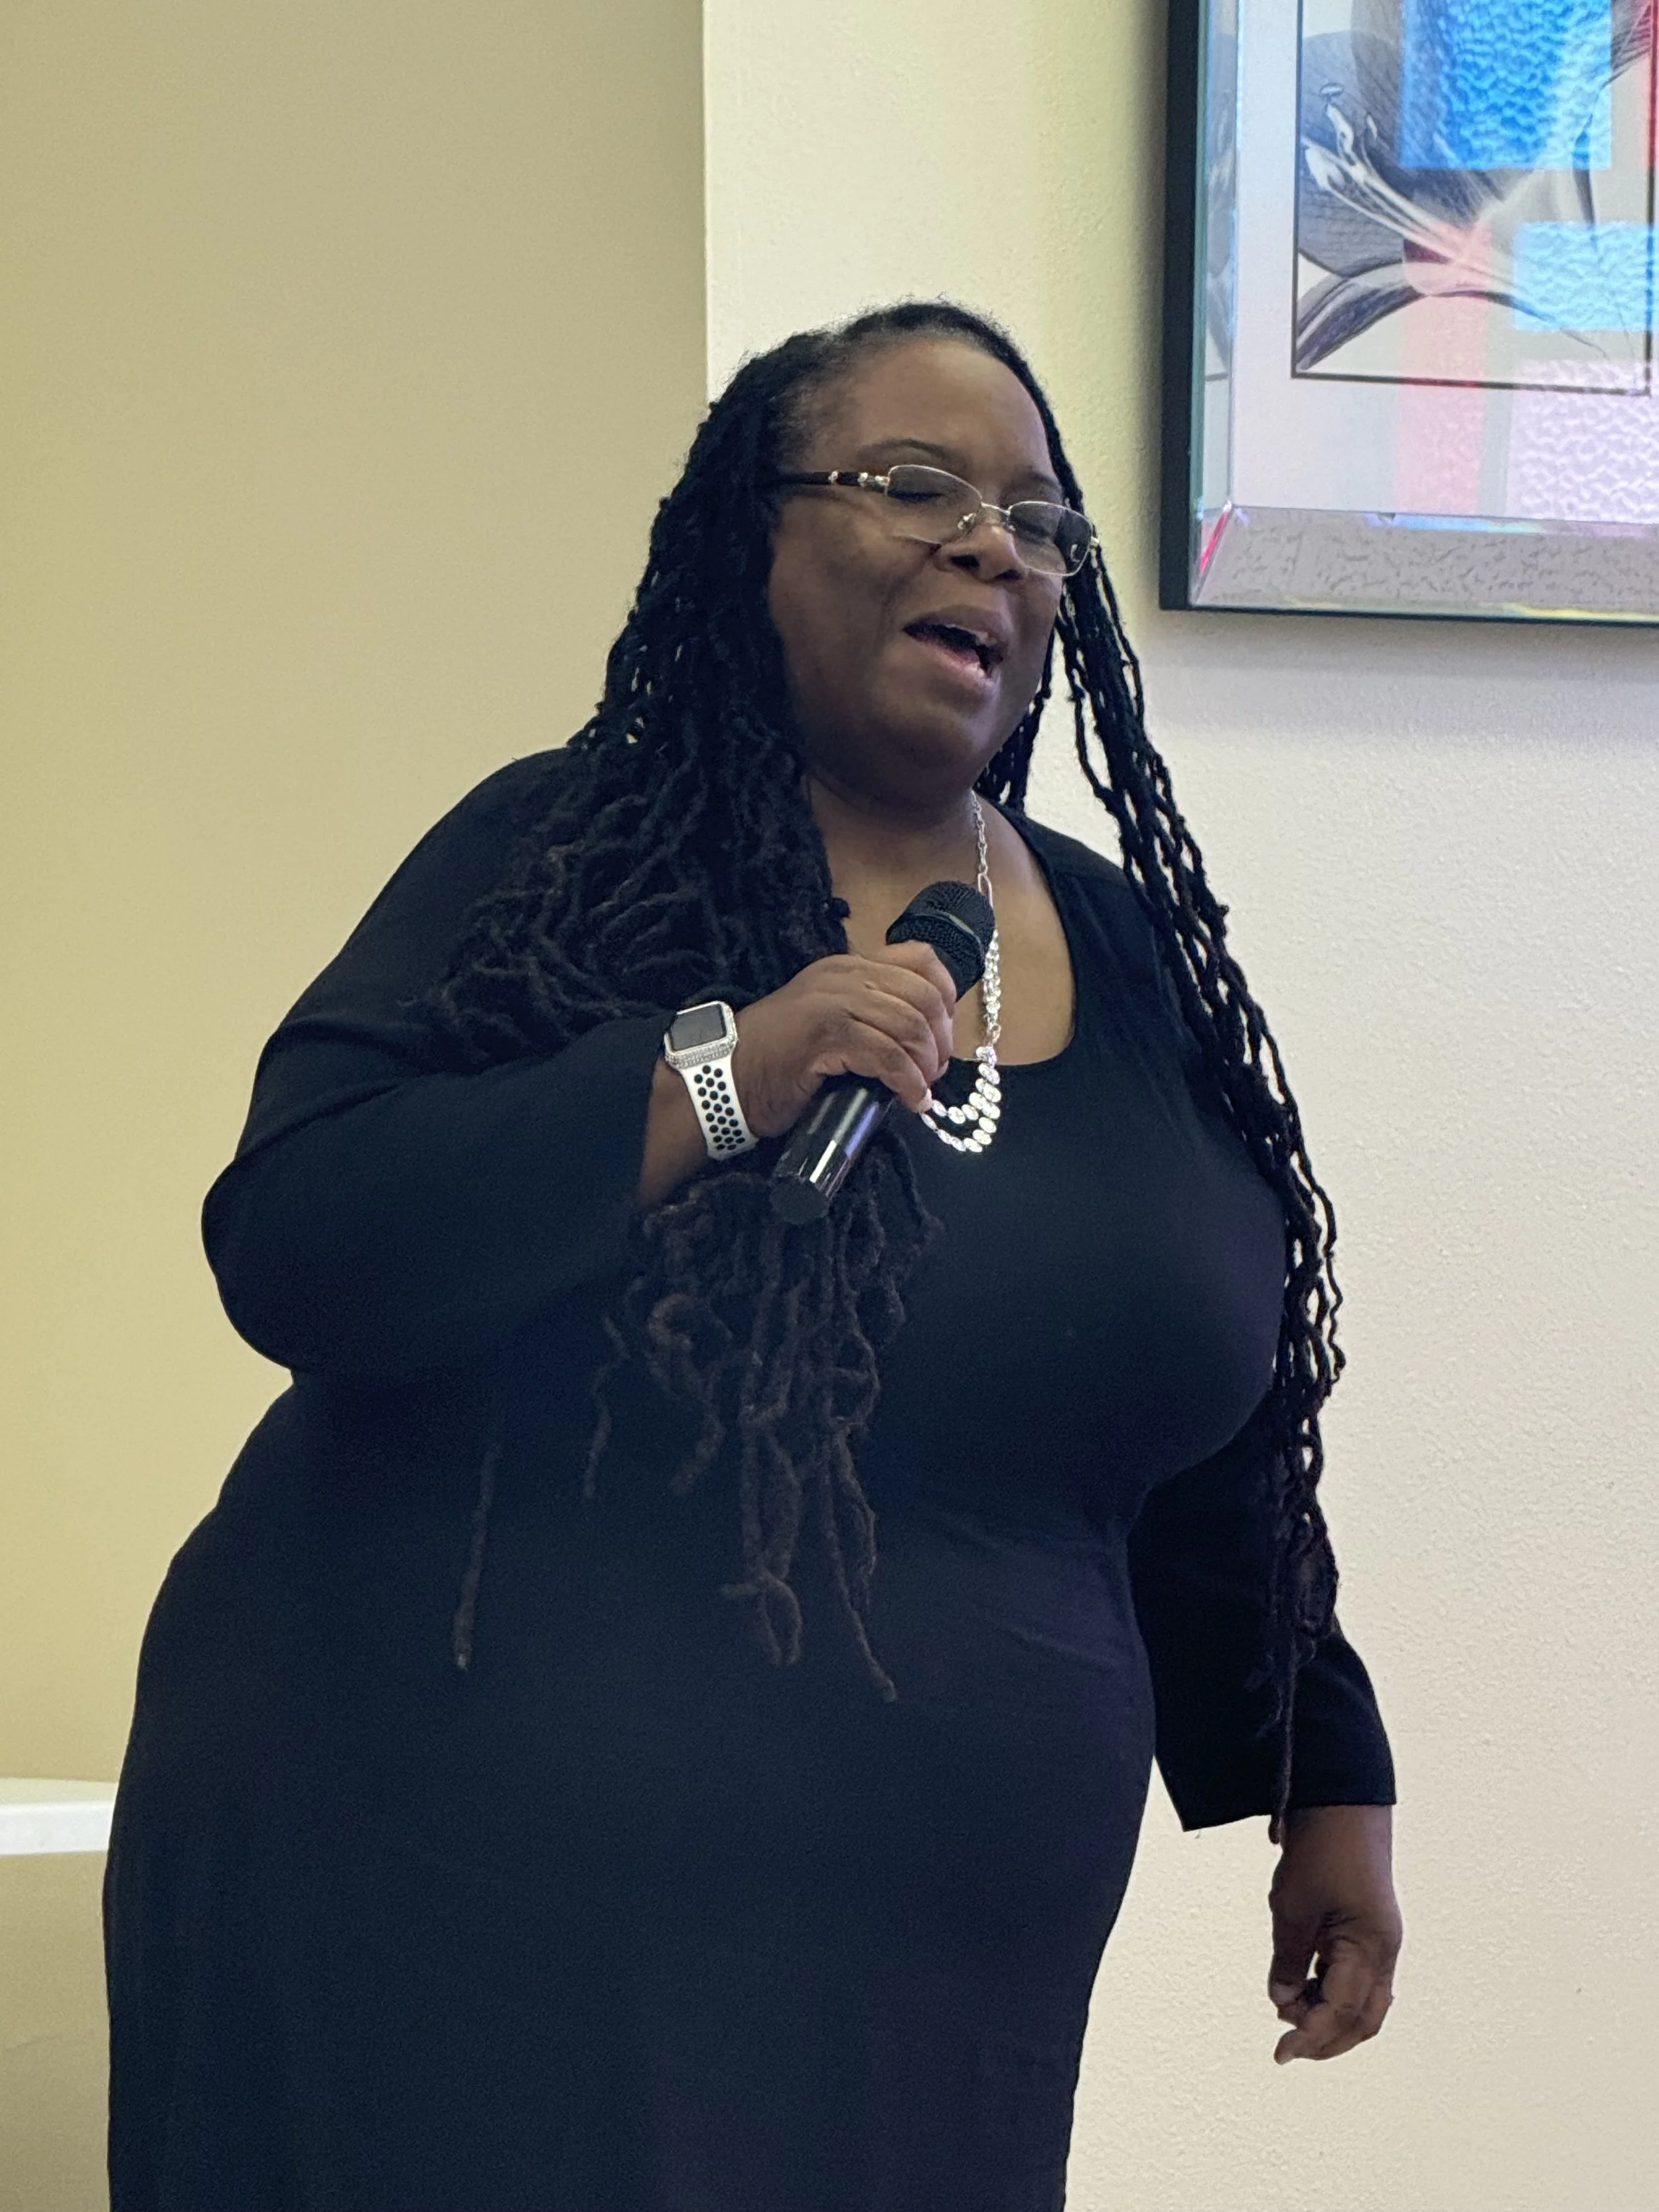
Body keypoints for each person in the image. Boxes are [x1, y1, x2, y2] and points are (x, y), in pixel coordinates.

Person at [104, 302, 1400, 2212]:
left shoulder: (1132, 964)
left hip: (923, 1984)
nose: (990, 545)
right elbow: (302, 1237)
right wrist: (724, 1071)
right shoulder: (565, 858)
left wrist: (1323, 1776)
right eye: (912, 486)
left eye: (1039, 524)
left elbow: (1193, 1426)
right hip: (435, 1908)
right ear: (751, 539)